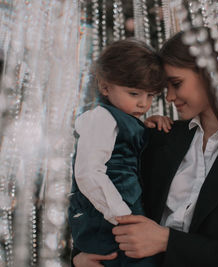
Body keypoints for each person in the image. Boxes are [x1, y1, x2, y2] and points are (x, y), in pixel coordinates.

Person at [72, 31, 218, 267]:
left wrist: (168, 241)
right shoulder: (160, 137)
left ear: (210, 74)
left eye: (176, 84)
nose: (168, 97)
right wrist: (79, 257)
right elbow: (106, 185)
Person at [68, 38, 172, 267]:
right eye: (134, 94)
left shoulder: (124, 119)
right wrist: (122, 216)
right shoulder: (101, 118)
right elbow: (87, 172)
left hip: (122, 209)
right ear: (105, 87)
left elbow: (128, 147)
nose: (143, 104)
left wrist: (148, 127)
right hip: (107, 213)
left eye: (150, 96)